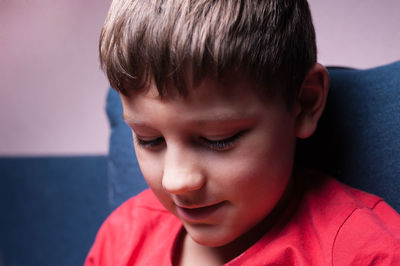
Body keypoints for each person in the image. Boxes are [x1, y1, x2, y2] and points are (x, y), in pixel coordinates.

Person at [86, 0, 400, 265]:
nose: (176, 181)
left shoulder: (365, 253)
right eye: (149, 139)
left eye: (218, 139)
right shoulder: (121, 239)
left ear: (304, 103)